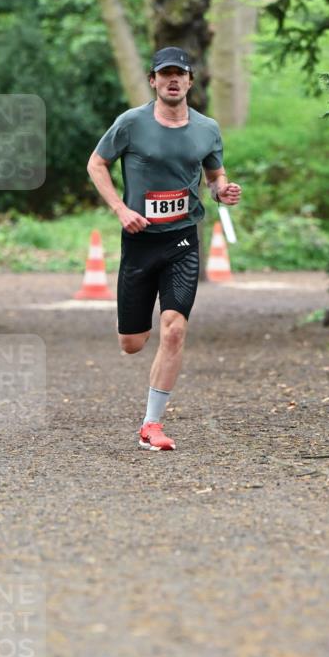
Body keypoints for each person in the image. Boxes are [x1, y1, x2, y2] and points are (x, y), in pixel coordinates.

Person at [86, 46, 241, 451]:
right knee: (132, 343)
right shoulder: (130, 123)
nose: (173, 80)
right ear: (153, 81)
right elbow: (96, 164)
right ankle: (136, 329)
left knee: (174, 329)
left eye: (180, 74)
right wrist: (121, 209)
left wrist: (222, 191)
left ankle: (151, 425)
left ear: (190, 81)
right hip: (139, 241)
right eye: (165, 74)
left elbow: (215, 175)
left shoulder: (207, 128)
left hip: (182, 239)